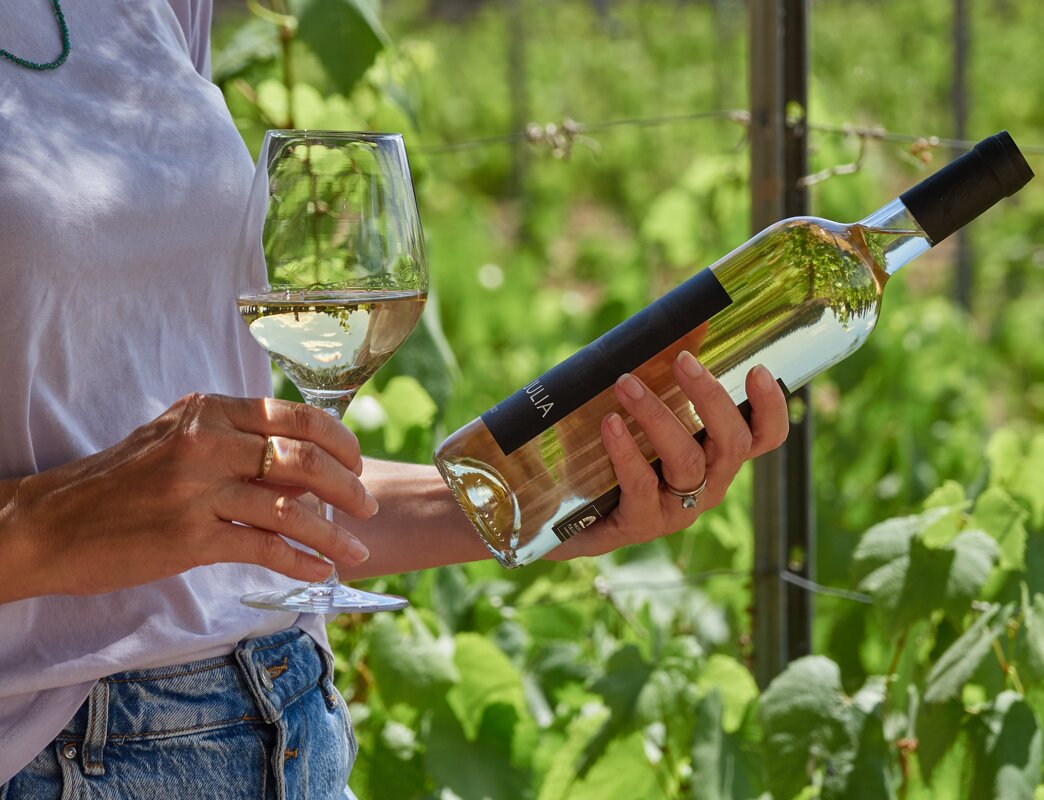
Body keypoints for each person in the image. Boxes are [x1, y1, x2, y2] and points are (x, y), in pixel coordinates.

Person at [0, 1, 789, 797]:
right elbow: (120, 506)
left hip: (289, 723)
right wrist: (45, 523)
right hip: (55, 758)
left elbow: (216, 503)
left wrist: (530, 496)